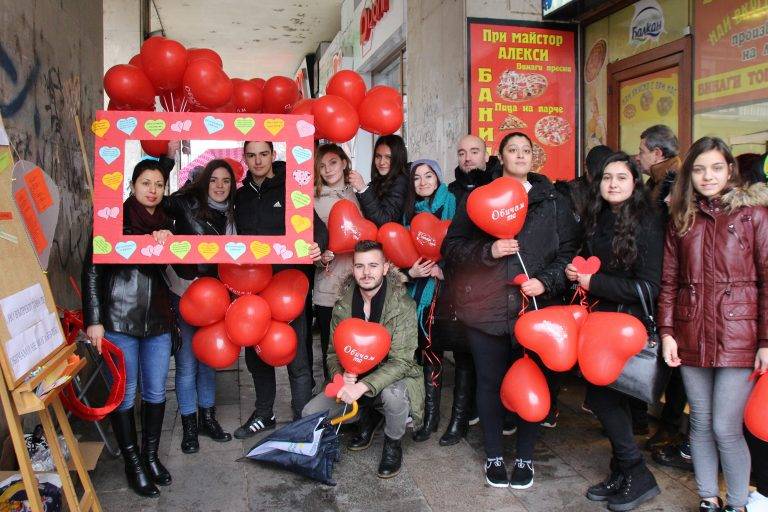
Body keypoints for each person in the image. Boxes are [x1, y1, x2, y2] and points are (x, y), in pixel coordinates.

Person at [442, 131, 578, 489]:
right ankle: (494, 455)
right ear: (500, 157)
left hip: (533, 310)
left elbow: (567, 253)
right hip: (486, 310)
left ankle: (526, 457)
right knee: (489, 384)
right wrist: (490, 252)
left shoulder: (552, 201)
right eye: (512, 150)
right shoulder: (478, 198)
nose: (520, 156)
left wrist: (546, 282)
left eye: (526, 151)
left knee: (533, 381)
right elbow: (452, 249)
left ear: (534, 158)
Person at [659, 136, 768, 512]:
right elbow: (670, 281)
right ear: (690, 173)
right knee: (701, 424)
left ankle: (737, 503)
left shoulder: (754, 215)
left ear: (730, 171)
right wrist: (667, 332)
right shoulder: (681, 217)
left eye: (717, 168)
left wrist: (766, 342)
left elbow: (767, 280)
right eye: (700, 169)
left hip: (739, 335)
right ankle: (708, 497)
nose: (708, 176)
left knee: (725, 426)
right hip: (691, 332)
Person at [567, 152, 663, 511]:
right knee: (610, 398)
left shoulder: (647, 223)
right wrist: (577, 273)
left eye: (621, 178)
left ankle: (638, 473)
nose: (613, 184)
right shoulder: (599, 218)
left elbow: (649, 287)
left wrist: (595, 282)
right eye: (607, 177)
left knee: (605, 399)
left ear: (634, 182)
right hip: (601, 321)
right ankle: (621, 472)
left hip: (628, 324)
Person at [83, 159, 174, 498]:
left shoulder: (168, 222)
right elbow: (92, 271)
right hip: (120, 318)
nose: (153, 190)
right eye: (146, 183)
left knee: (155, 391)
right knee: (125, 392)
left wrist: (168, 237)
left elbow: (190, 261)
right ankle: (133, 462)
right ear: (133, 186)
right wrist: (94, 320)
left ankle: (150, 457)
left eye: (159, 184)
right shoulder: (112, 219)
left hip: (158, 318)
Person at [302, 240, 424, 479]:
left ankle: (393, 444)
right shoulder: (342, 305)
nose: (367, 273)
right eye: (360, 266)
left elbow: (402, 362)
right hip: (353, 382)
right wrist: (342, 375)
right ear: (353, 269)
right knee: (310, 412)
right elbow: (332, 353)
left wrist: (361, 386)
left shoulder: (403, 305)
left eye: (373, 265)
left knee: (394, 396)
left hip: (392, 379)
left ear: (386, 268)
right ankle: (365, 416)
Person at [233, 140, 327, 438]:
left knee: (297, 356)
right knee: (256, 355)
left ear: (273, 155)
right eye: (251, 155)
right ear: (244, 158)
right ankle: (264, 414)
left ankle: (303, 418)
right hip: (252, 289)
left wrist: (318, 245)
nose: (258, 160)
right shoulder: (240, 197)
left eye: (263, 154)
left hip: (289, 289)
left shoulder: (292, 189)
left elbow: (318, 229)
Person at [161, 159, 236, 454]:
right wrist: (165, 164)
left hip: (217, 298)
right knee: (187, 363)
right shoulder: (186, 204)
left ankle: (208, 417)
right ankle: (190, 425)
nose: (219, 186)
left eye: (226, 181)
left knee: (209, 361)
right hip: (186, 293)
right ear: (204, 181)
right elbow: (158, 202)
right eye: (214, 179)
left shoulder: (233, 213)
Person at [400, 159, 467, 444]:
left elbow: (466, 249)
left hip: (452, 295)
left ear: (439, 179)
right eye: (417, 177)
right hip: (420, 295)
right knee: (428, 353)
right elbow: (400, 251)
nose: (423, 181)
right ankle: (429, 416)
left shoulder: (453, 205)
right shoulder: (409, 213)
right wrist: (411, 272)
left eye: (429, 176)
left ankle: (458, 420)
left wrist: (445, 270)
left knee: (462, 357)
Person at [312, 144, 359, 381]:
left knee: (357, 347)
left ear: (343, 162)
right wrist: (319, 258)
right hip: (327, 284)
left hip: (360, 284)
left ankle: (360, 404)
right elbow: (306, 244)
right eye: (321, 165)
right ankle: (332, 400)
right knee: (331, 348)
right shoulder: (311, 200)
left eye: (332, 162)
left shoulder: (358, 193)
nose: (328, 169)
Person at [348, 134, 409, 226]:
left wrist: (363, 189)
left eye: (388, 157)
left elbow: (385, 221)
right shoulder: (381, 180)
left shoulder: (401, 181)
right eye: (378, 156)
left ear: (398, 158)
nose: (381, 162)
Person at [555, 144, 613, 222]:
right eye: (595, 177)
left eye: (606, 178)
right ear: (586, 167)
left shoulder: (616, 189)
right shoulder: (569, 192)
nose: (599, 182)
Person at [637, 124, 681, 212]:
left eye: (642, 152)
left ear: (657, 153)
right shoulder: (657, 178)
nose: (638, 157)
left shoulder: (675, 182)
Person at [450, 134, 498, 203]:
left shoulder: (501, 184)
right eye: (462, 154)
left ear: (486, 156)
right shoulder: (450, 192)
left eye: (474, 152)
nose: (467, 158)